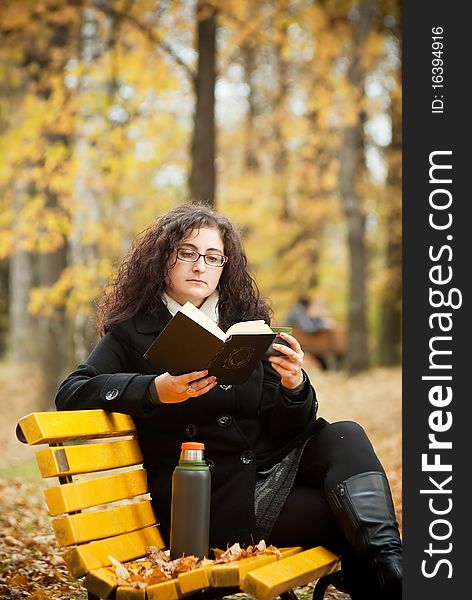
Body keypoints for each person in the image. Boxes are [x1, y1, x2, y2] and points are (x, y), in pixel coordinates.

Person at [55, 204, 401, 599]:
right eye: (187, 252)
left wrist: (293, 385)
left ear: (225, 265)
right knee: (347, 518)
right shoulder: (132, 331)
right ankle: (390, 579)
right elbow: (72, 391)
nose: (200, 265)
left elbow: (288, 427)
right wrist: (155, 390)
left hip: (266, 471)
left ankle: (393, 575)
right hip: (207, 501)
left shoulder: (244, 324)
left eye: (213, 257)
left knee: (346, 436)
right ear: (161, 260)